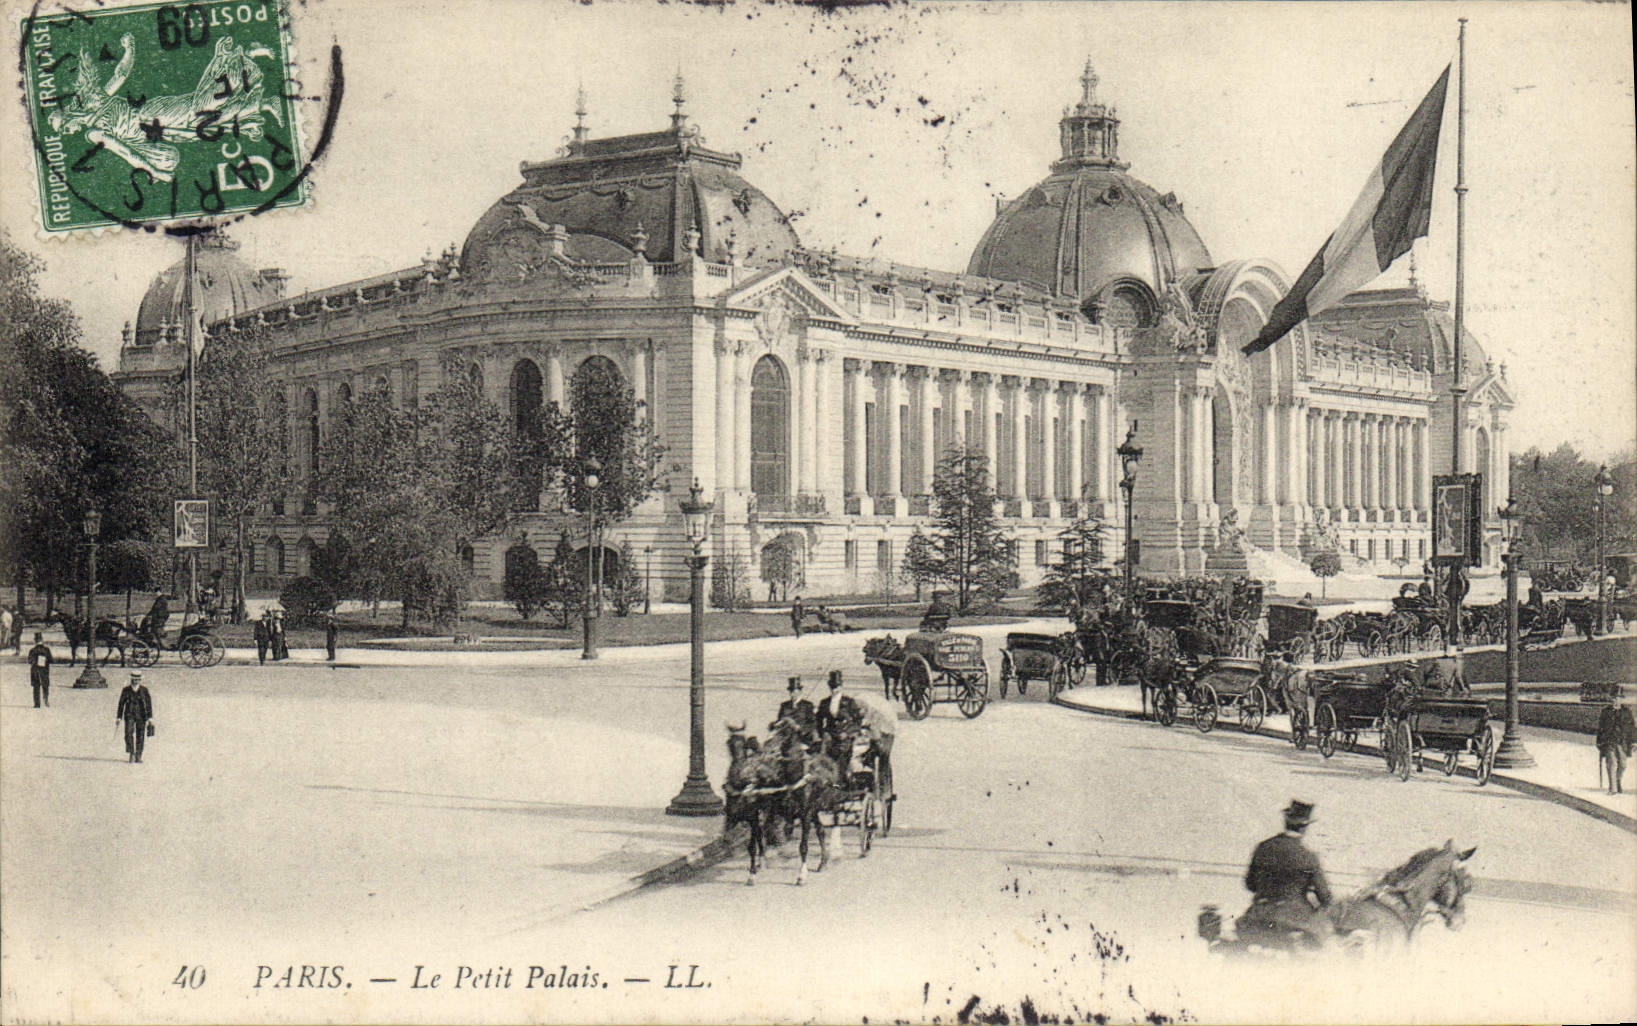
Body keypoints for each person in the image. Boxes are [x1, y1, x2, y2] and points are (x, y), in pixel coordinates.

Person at [1241, 800, 1333, 950]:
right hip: (1296, 920)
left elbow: (1250, 884)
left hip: (1259, 914)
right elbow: (1325, 897)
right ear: (1304, 828)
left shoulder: (1263, 848)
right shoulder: (1308, 856)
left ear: (1285, 822)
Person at [1596, 702, 1636, 794]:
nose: (1616, 701)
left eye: (1618, 698)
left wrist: (1634, 742)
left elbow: (1632, 728)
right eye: (1614, 698)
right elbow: (1600, 728)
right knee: (1612, 764)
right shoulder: (1606, 712)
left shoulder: (1626, 712)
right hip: (1609, 741)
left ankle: (1617, 780)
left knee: (1623, 765)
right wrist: (1599, 742)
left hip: (1623, 743)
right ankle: (1612, 788)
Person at [116, 671, 155, 764]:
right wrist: (119, 717)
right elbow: (121, 703)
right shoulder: (126, 690)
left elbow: (149, 704)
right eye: (134, 679)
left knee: (140, 735)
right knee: (128, 733)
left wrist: (150, 718)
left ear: (140, 680)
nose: (136, 681)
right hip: (129, 714)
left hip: (141, 715)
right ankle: (131, 753)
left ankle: (138, 755)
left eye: (138, 679)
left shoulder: (144, 690)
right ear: (131, 679)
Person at [772, 676, 817, 741]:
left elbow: (812, 723)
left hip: (801, 735)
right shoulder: (784, 705)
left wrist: (801, 728)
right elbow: (779, 720)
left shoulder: (807, 705)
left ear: (800, 692)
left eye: (795, 692)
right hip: (784, 734)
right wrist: (774, 725)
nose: (792, 695)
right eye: (791, 692)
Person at [27, 632, 53, 709]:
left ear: (35, 641)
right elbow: (51, 660)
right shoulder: (46, 650)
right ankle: (46, 699)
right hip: (44, 670)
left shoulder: (32, 650)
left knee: (36, 687)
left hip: (35, 671)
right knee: (45, 685)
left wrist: (35, 662)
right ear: (42, 640)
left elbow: (29, 661)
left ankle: (37, 704)